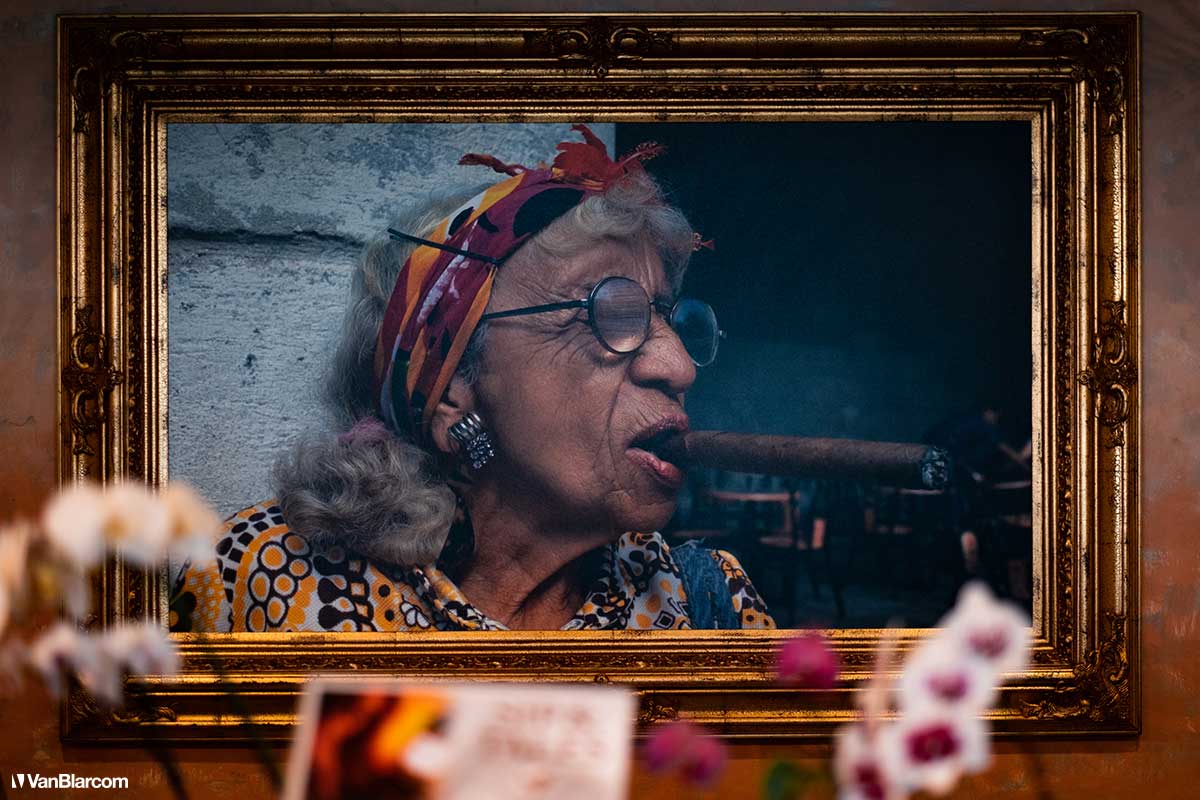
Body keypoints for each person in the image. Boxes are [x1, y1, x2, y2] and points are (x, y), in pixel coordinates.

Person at [170, 125, 774, 633]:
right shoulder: (267, 580)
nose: (678, 367)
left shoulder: (709, 604)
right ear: (453, 387)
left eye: (669, 320)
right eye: (609, 313)